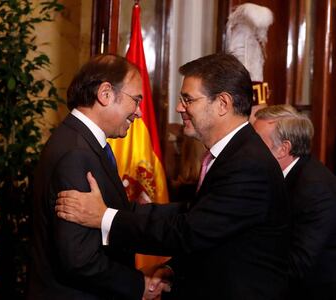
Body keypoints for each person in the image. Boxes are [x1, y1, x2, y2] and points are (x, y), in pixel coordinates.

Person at [56, 53, 290, 300]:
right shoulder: (235, 155)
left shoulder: (247, 165)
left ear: (222, 104)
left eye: (188, 99)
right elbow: (199, 219)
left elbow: (188, 232)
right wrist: (171, 267)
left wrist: (105, 217)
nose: (179, 107)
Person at [27, 54, 166, 299]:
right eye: (135, 101)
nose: (139, 113)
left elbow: (114, 211)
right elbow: (78, 258)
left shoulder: (81, 141)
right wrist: (137, 285)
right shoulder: (76, 153)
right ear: (105, 94)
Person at [253, 104, 336, 300]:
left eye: (257, 143)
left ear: (283, 149)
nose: (250, 149)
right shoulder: (275, 174)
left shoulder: (316, 189)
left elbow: (298, 263)